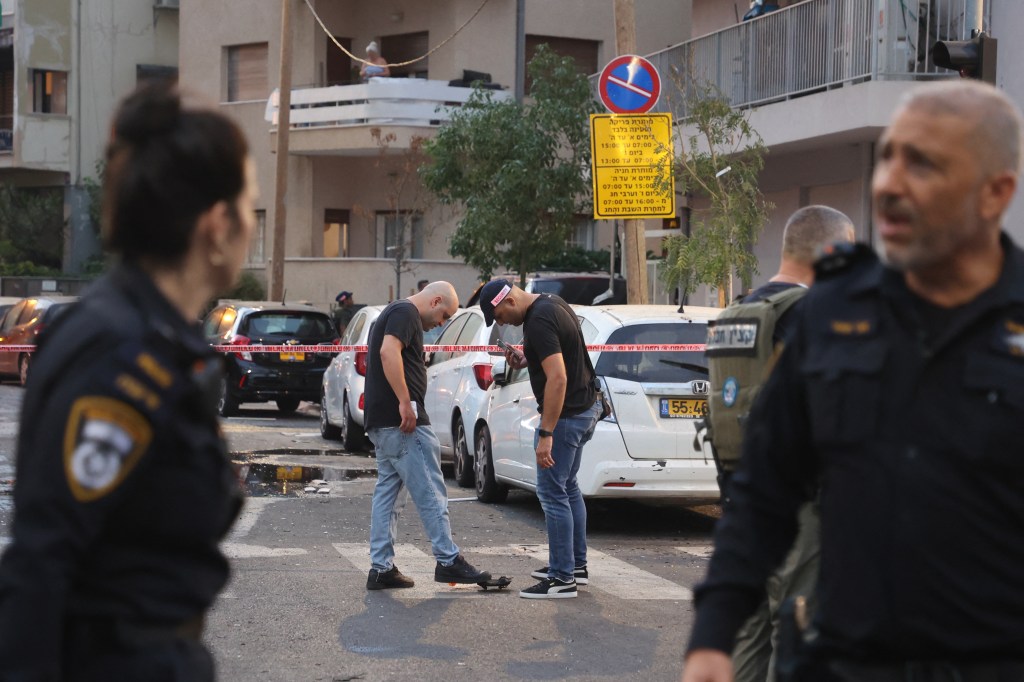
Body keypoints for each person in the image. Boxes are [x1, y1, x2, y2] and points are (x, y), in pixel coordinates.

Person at [682, 80, 1024, 682]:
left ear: (995, 192)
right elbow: (764, 492)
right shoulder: (830, 314)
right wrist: (713, 633)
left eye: (923, 164)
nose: (889, 182)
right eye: (889, 156)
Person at [0, 81, 255, 680]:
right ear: (216, 225)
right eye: (250, 205)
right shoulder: (120, 349)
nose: (250, 222)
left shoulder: (157, 336)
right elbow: (44, 559)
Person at [705, 206, 854, 682]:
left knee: (748, 641)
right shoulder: (806, 313)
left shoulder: (735, 314)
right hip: (800, 512)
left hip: (742, 503)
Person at [364, 281, 492, 589]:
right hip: (403, 423)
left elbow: (391, 354)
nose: (442, 323)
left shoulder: (394, 312)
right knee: (431, 492)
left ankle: (381, 568)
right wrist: (406, 402)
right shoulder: (405, 313)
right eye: (445, 315)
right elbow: (387, 352)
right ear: (435, 301)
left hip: (382, 422)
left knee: (388, 495)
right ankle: (448, 560)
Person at [479, 279, 601, 599]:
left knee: (550, 492)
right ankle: (574, 565)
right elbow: (560, 360)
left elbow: (558, 378)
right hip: (586, 407)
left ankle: (562, 578)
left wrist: (546, 432)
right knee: (567, 486)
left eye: (500, 317)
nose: (503, 324)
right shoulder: (552, 303)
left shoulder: (539, 320)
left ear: (505, 302)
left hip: (567, 416)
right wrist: (524, 359)